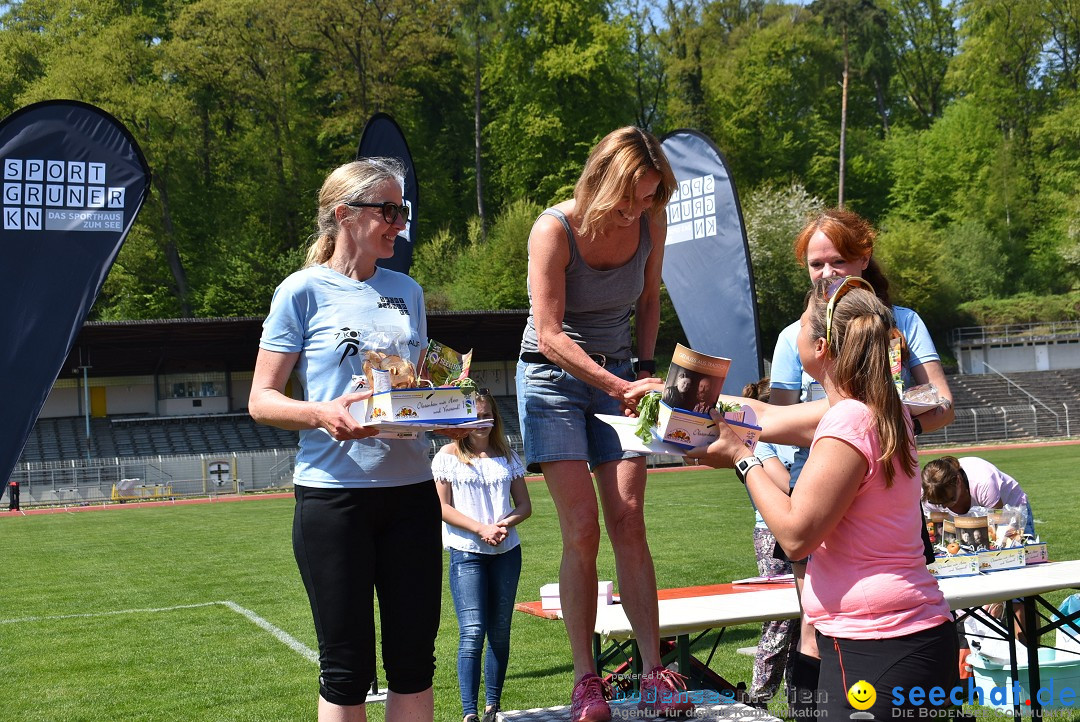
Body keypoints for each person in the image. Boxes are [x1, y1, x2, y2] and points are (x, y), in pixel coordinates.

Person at [689, 276, 959, 720]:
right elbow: (767, 414)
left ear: (819, 348)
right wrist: (673, 396)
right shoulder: (876, 406)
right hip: (904, 639)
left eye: (798, 325)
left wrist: (742, 458)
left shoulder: (848, 421)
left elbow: (796, 536)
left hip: (878, 648)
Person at [249, 158, 456, 722]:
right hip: (333, 496)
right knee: (345, 670)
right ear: (343, 214)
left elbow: (414, 386)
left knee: (414, 663)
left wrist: (447, 409)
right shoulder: (301, 291)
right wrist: (322, 413)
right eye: (388, 210)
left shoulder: (407, 291)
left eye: (402, 211)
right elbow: (261, 399)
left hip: (413, 492)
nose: (399, 223)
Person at [515, 126, 690, 721]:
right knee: (582, 531)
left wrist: (642, 372)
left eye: (650, 196)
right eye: (631, 198)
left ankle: (652, 672)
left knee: (630, 518)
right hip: (551, 380)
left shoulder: (651, 218)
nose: (641, 208)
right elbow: (550, 332)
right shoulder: (553, 229)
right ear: (599, 182)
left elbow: (647, 303)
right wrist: (619, 386)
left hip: (621, 373)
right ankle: (587, 680)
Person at [766, 208, 954, 716]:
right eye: (814, 265)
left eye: (838, 261)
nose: (826, 274)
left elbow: (942, 404)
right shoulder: (794, 334)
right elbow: (776, 420)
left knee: (859, 608)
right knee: (813, 618)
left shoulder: (903, 323)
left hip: (877, 479)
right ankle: (812, 711)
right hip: (813, 483)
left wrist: (880, 414)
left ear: (865, 258)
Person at [434, 392, 533, 722]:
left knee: (500, 632)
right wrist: (480, 529)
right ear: (462, 420)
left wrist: (502, 525)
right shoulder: (447, 456)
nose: (482, 422)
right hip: (467, 554)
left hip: (506, 552)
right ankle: (468, 712)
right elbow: (443, 508)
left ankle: (493, 706)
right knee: (473, 631)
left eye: (487, 415)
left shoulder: (507, 455)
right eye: (475, 416)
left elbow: (524, 506)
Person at [740, 379, 799, 709]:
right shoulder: (760, 441)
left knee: (807, 622)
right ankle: (759, 698)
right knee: (780, 621)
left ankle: (801, 701)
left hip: (807, 528)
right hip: (772, 534)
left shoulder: (797, 439)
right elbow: (786, 483)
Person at [922, 456, 1036, 537]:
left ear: (958, 481)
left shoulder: (983, 482)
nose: (945, 506)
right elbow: (933, 531)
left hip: (1011, 510)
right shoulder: (927, 492)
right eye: (939, 503)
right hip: (967, 521)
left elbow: (998, 524)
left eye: (951, 499)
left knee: (1017, 553)